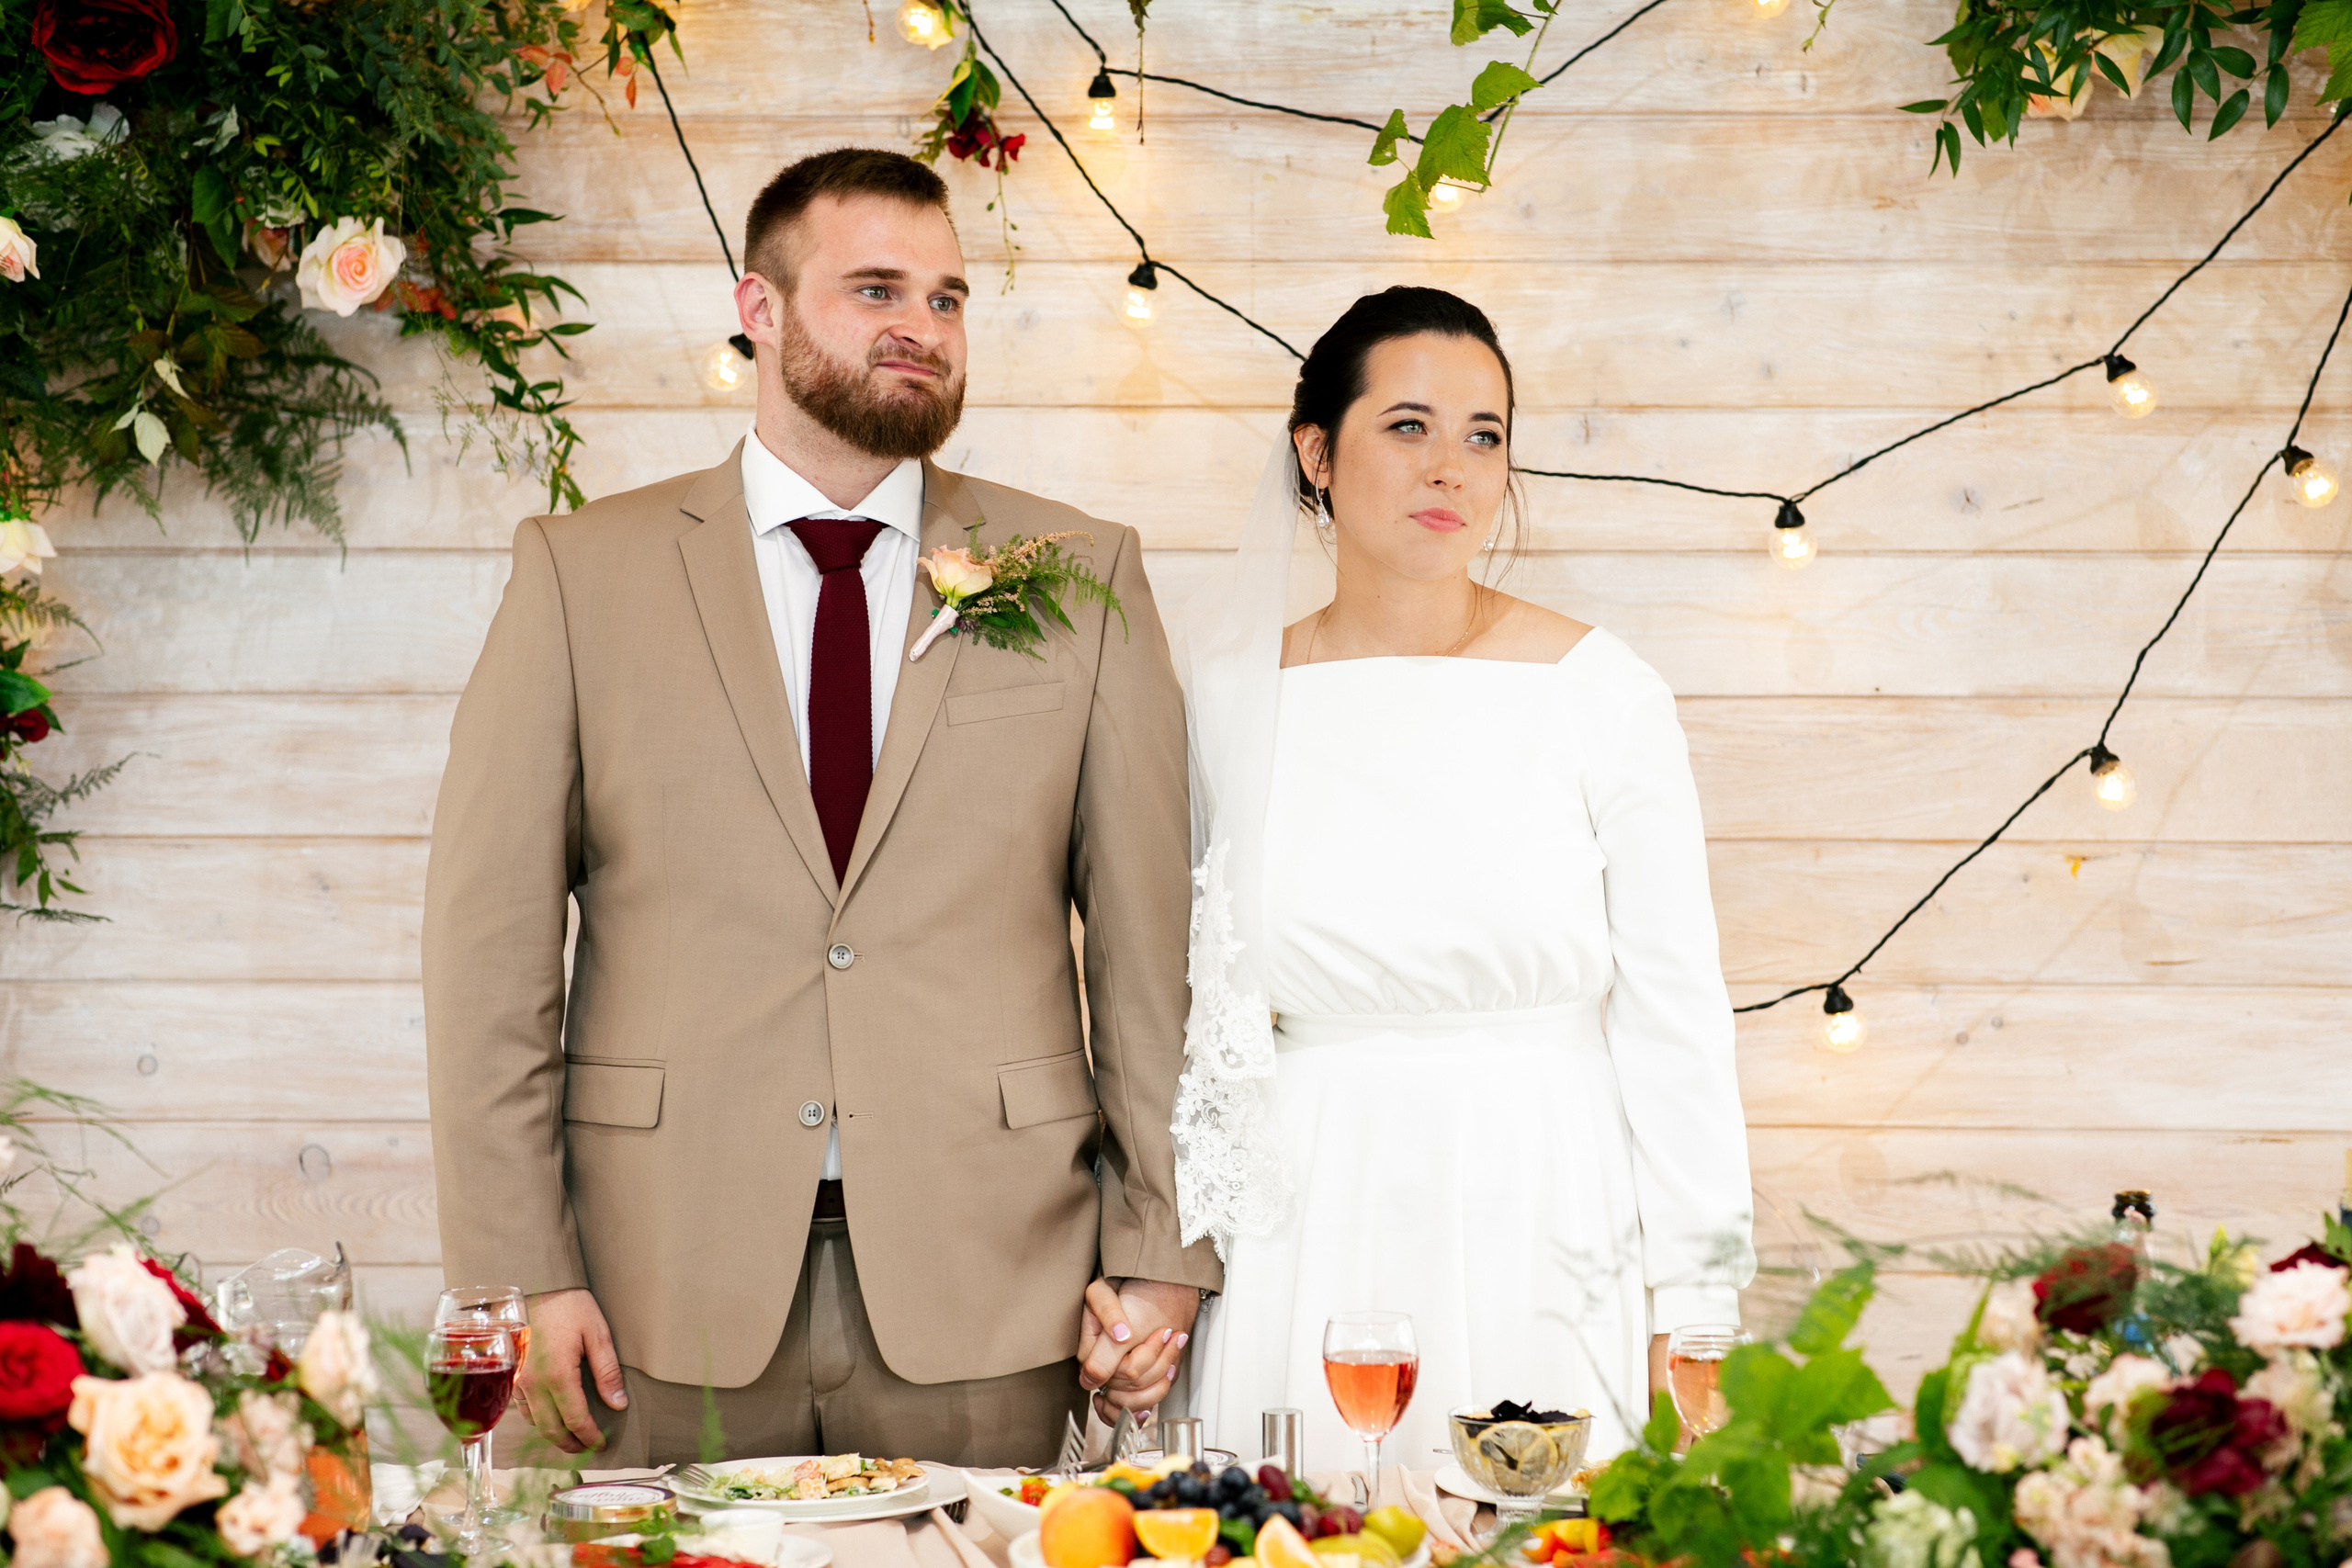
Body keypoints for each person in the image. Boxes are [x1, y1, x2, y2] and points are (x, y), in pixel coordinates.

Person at [424, 147, 1218, 1468]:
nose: (923, 326)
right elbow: (488, 951)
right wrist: (517, 1270)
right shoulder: (579, 574)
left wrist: (1159, 1247)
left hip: (997, 1281)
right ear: (762, 306)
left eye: (950, 298)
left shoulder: (1080, 573)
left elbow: (1152, 958)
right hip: (648, 1286)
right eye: (876, 289)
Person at [1173, 288, 1756, 1468]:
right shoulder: (1230, 699)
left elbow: (1676, 1017)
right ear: (1316, 452)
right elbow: (1191, 1017)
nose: (1452, 468)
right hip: (1310, 1210)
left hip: (1539, 1193)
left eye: (1483, 435)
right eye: (1408, 426)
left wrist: (1693, 1311)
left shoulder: (1602, 692)